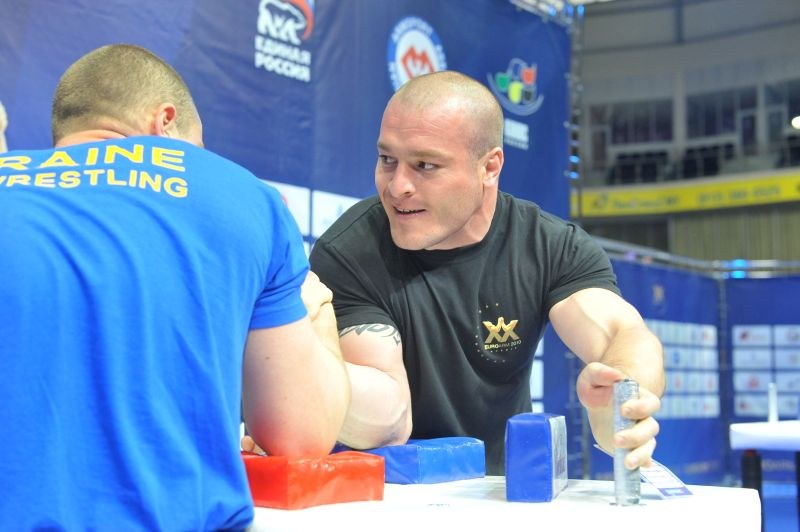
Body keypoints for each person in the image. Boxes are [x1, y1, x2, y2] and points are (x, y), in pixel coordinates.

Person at [0, 44, 350, 530]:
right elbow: (301, 434)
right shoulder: (243, 194)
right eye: (198, 146)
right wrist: (320, 316)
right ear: (166, 122)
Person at [307, 71, 664, 475]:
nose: (397, 186)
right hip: (380, 497)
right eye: (388, 159)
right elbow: (389, 417)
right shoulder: (350, 251)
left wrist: (622, 398)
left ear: (489, 167)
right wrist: (299, 359)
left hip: (495, 495)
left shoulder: (548, 246)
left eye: (425, 165)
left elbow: (627, 335)